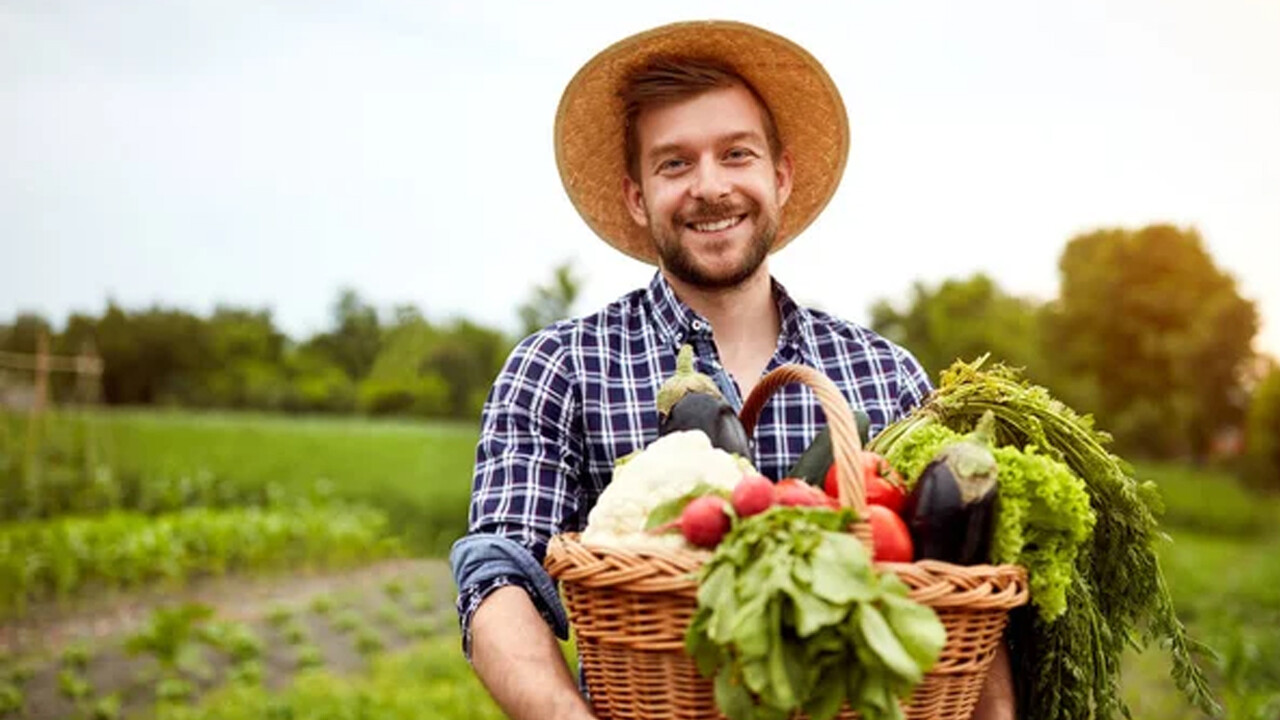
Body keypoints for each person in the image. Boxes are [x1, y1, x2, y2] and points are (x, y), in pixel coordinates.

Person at [450, 20, 1014, 720]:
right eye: (675, 164)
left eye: (736, 154)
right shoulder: (557, 367)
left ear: (779, 177)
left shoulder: (887, 375)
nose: (709, 187)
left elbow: (969, 595)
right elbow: (499, 574)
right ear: (636, 197)